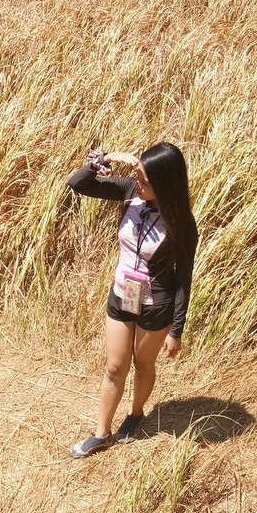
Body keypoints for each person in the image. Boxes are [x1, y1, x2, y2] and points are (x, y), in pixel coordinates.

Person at [67, 142, 199, 458]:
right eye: (137, 175)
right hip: (122, 294)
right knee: (114, 367)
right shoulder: (130, 191)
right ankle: (101, 434)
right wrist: (104, 159)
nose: (137, 182)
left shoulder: (182, 222)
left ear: (165, 184)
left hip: (156, 305)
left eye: (145, 180)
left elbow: (183, 278)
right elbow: (78, 184)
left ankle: (136, 414)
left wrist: (176, 330)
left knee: (142, 364)